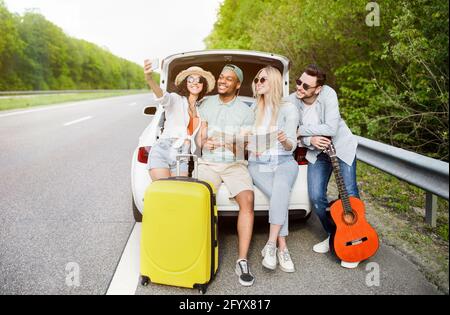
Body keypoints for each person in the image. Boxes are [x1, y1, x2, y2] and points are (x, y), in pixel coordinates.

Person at [288, 64, 361, 269]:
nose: (299, 88)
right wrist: (309, 140)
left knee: (350, 194)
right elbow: (282, 124)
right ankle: (334, 236)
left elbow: (331, 127)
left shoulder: (328, 94)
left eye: (306, 86)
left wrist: (300, 130)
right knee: (316, 196)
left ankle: (354, 240)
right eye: (298, 82)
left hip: (341, 149)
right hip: (317, 153)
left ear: (318, 89)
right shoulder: (292, 99)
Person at [197, 64, 256, 286]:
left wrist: (226, 142)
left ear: (237, 84)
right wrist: (204, 142)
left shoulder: (245, 111)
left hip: (234, 164)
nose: (222, 81)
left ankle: (241, 260)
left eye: (228, 79)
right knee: (199, 199)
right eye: (221, 77)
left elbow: (242, 150)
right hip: (208, 163)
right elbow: (200, 138)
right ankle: (200, 251)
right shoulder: (207, 104)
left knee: (247, 200)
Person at [247, 66, 299, 273]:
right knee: (280, 195)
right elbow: (247, 140)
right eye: (257, 79)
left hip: (284, 161)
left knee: (279, 190)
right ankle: (282, 247)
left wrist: (286, 140)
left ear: (275, 82)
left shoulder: (289, 109)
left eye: (263, 80)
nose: (258, 83)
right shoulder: (253, 108)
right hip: (258, 164)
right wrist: (253, 146)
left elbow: (292, 145)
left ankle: (270, 245)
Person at [143, 60, 215, 180]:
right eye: (190, 79)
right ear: (185, 83)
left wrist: (207, 143)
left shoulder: (201, 110)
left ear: (203, 85)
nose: (195, 83)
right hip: (163, 149)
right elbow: (162, 97)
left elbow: (200, 139)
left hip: (183, 155)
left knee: (178, 193)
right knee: (164, 191)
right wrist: (149, 79)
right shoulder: (176, 99)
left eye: (199, 80)